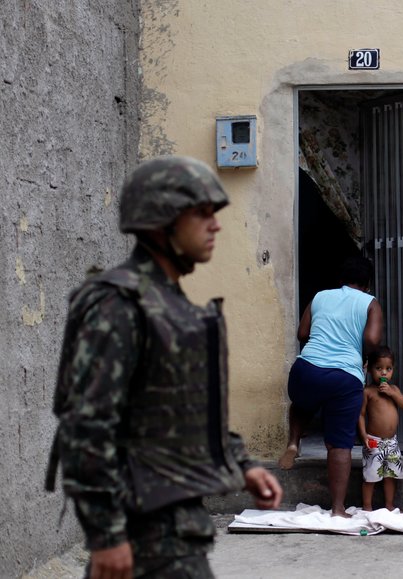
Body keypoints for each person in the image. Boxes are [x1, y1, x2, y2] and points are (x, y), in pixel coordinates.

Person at [46, 156, 283, 579]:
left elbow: (190, 413)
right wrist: (106, 535)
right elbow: (86, 424)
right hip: (142, 534)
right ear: (160, 222)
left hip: (177, 528)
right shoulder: (119, 303)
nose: (216, 225)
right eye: (201, 214)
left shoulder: (172, 306)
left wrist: (243, 465)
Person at [278, 255, 383, 518]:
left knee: (301, 402)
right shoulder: (370, 303)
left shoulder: (320, 296)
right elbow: (371, 339)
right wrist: (366, 355)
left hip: (305, 369)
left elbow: (302, 334)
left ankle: (293, 443)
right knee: (339, 445)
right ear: (367, 283)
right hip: (343, 376)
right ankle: (337, 509)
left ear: (340, 279)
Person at [357, 346, 403, 511]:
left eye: (388, 369)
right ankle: (367, 507)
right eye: (378, 368)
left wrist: (393, 394)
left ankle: (389, 505)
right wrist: (364, 435)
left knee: (390, 476)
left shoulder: (394, 390)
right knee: (371, 477)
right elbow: (361, 415)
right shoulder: (368, 392)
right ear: (369, 370)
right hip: (374, 441)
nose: (384, 373)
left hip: (392, 443)